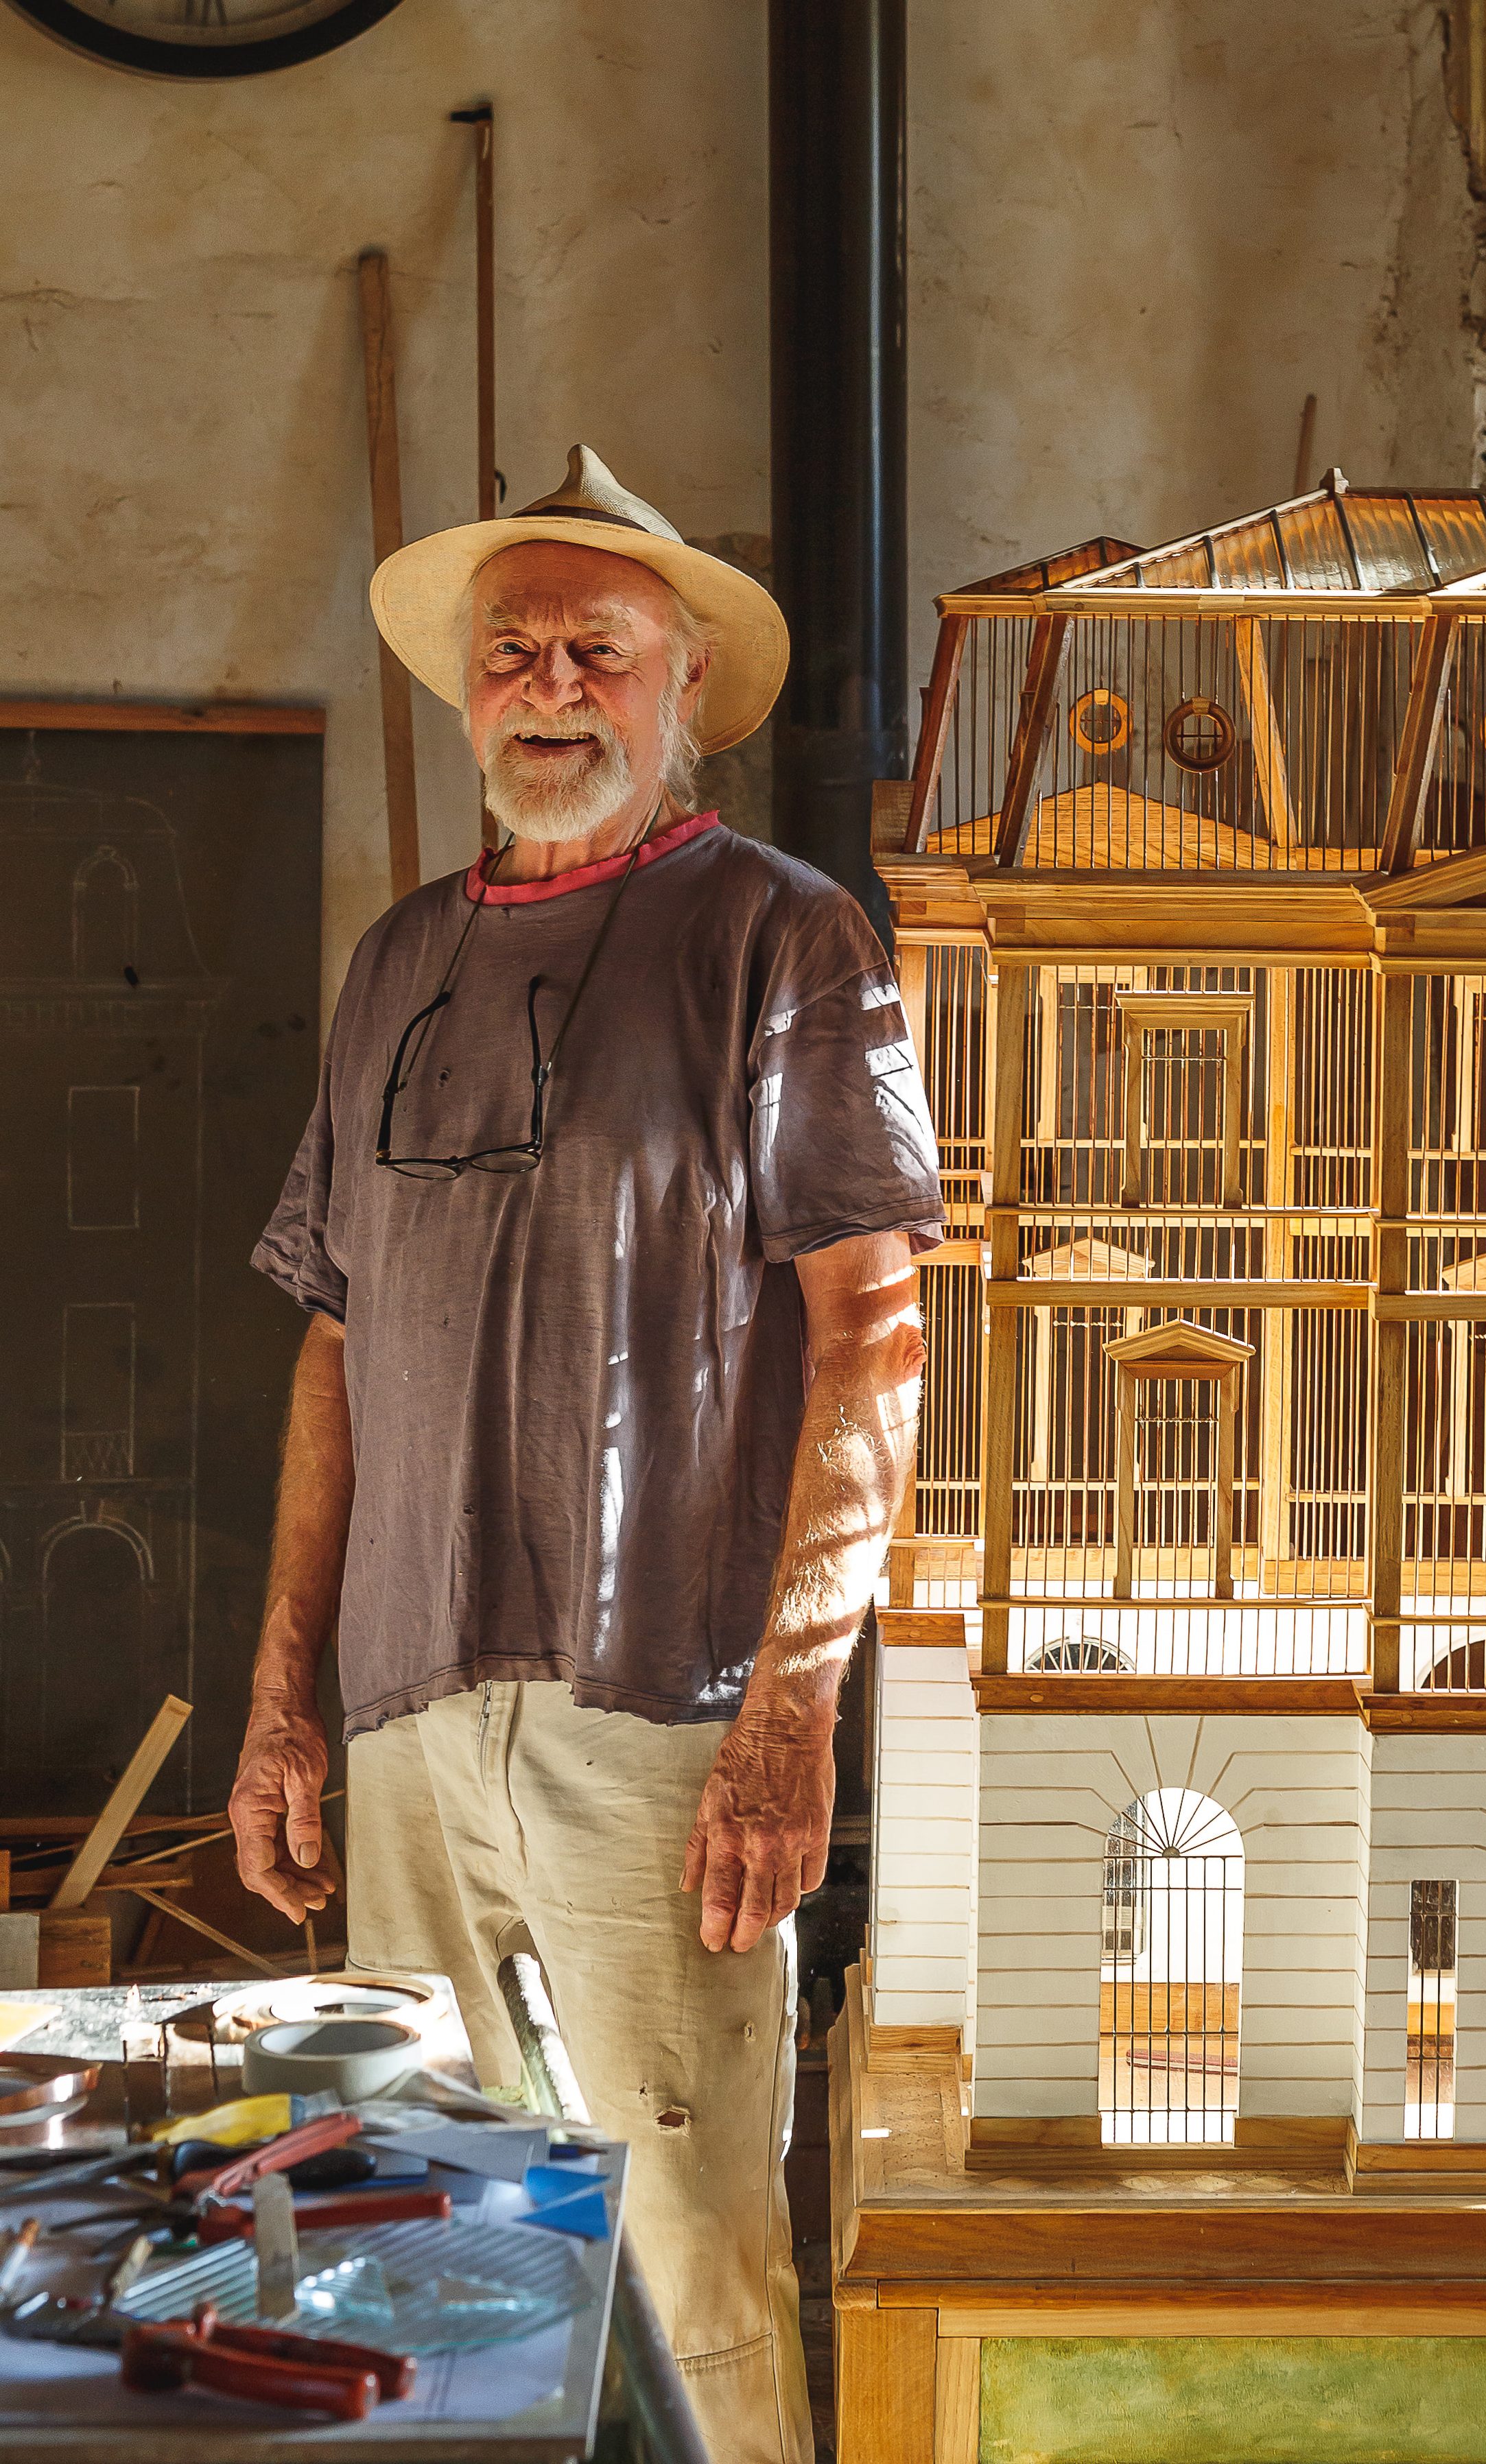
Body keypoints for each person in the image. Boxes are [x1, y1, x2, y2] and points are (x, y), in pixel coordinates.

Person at [233, 447, 941, 2464]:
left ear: (688, 689)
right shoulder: (394, 964)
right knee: (409, 2242)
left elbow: (877, 1338)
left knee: (698, 2257)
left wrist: (795, 1718)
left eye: (600, 654)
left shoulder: (784, 941)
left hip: (666, 1721)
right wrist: (291, 1698)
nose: (554, 689)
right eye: (515, 652)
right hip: (405, 1717)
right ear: (471, 693)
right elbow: (336, 1343)